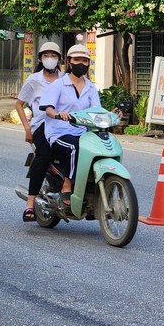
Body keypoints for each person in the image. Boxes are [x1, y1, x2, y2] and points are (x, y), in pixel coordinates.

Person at [39, 44, 101, 210]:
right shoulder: (58, 85)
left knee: (99, 147)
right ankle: (67, 185)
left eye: (84, 60)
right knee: (74, 147)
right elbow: (48, 108)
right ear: (69, 61)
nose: (81, 63)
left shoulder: (90, 87)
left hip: (82, 131)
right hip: (59, 132)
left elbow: (96, 110)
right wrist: (58, 114)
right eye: (77, 60)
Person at [15, 42, 65, 222]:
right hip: (41, 126)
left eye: (53, 56)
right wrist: (27, 128)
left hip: (62, 125)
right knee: (43, 156)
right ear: (40, 59)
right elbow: (19, 104)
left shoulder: (66, 79)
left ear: (59, 59)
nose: (50, 59)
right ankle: (30, 204)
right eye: (46, 56)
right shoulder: (34, 80)